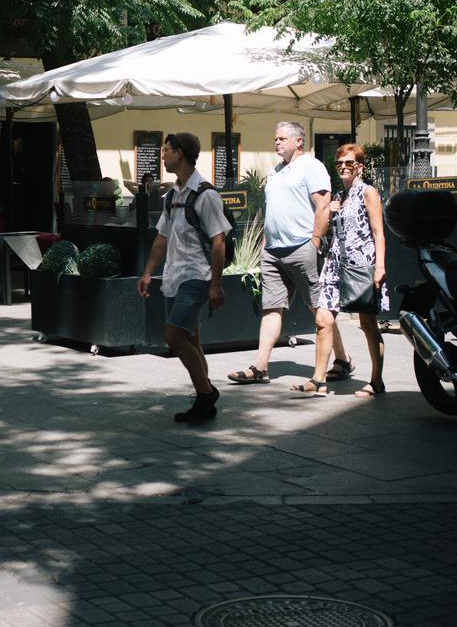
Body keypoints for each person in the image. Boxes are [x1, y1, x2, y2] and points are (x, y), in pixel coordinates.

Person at [227, 121, 353, 385]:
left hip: (301, 247)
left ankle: (341, 359)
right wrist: (264, 245)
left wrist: (315, 242)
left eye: (282, 138)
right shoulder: (275, 172)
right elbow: (273, 211)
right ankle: (260, 367)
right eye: (275, 138)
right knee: (271, 308)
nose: (277, 142)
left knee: (319, 307)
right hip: (273, 251)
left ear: (298, 141)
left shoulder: (311, 167)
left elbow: (323, 206)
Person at [138, 133, 231, 423]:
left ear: (180, 153)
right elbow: (161, 238)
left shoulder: (206, 195)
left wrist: (215, 285)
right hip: (175, 276)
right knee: (191, 337)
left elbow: (219, 242)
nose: (162, 156)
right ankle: (205, 397)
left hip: (197, 276)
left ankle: (206, 394)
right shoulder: (172, 197)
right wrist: (148, 272)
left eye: (166, 151)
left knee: (174, 335)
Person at [294, 144, 388, 397]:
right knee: (323, 319)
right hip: (337, 263)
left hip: (362, 264)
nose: (344, 168)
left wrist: (379, 267)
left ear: (360, 166)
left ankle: (376, 381)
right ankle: (318, 379)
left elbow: (378, 232)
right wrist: (330, 211)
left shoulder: (368, 192)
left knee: (368, 324)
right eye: (339, 164)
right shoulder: (338, 196)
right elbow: (325, 230)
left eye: (349, 163)